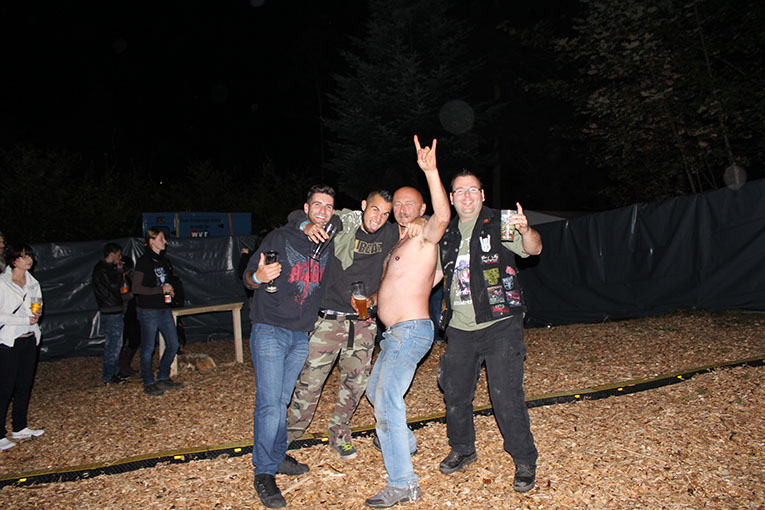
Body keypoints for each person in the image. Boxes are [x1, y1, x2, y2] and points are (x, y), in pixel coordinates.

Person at [435, 169, 542, 493]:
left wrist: (526, 231)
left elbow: (534, 249)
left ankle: (524, 459)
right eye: (460, 191)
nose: (466, 196)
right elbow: (435, 274)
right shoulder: (445, 232)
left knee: (505, 395)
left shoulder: (501, 222)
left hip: (500, 323)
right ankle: (463, 448)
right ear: (451, 198)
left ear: (482, 195)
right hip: (459, 327)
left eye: (473, 190)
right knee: (455, 394)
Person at [364, 135, 450, 508]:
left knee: (387, 401)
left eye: (409, 204)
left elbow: (442, 218)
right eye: (397, 204)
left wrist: (430, 170)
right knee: (374, 392)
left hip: (411, 331)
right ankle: (406, 442)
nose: (401, 209)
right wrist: (373, 300)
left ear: (421, 208)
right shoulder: (397, 246)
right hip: (391, 335)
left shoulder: (424, 236)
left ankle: (403, 483)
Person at [285, 190, 398, 460]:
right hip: (328, 320)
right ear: (363, 206)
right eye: (375, 209)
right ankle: (287, 434)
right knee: (309, 382)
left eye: (385, 213)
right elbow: (295, 215)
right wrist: (306, 224)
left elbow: (422, 223)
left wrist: (419, 220)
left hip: (363, 323)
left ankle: (339, 432)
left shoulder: (390, 233)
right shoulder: (340, 223)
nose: (379, 217)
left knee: (355, 385)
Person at [244, 184, 336, 509]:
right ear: (306, 208)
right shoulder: (279, 238)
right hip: (270, 329)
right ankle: (263, 472)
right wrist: (258, 277)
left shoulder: (329, 240)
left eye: (328, 206)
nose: (323, 211)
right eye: (317, 205)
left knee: (282, 400)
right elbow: (248, 279)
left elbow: (347, 221)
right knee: (270, 403)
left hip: (300, 334)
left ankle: (278, 455)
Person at [0, 243, 45, 451]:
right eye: (23, 256)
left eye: (29, 256)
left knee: (24, 384)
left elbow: (38, 305)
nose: (28, 260)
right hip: (9, 340)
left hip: (29, 337)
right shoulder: (3, 283)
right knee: (5, 387)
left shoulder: (33, 283)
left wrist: (36, 315)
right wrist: (23, 320)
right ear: (13, 260)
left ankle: (20, 426)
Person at [132, 229, 183, 396]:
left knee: (173, 344)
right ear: (151, 241)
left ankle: (163, 376)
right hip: (148, 311)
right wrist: (160, 290)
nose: (165, 242)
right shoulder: (144, 262)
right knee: (148, 347)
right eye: (161, 239)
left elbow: (165, 283)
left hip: (164, 308)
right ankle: (148, 381)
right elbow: (136, 288)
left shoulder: (163, 261)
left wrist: (170, 290)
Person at [92, 242, 130, 384]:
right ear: (112, 254)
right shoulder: (102, 269)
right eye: (118, 255)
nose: (120, 258)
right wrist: (119, 273)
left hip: (113, 309)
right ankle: (109, 375)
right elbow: (113, 286)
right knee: (114, 344)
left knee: (116, 343)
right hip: (110, 310)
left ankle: (113, 372)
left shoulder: (106, 268)